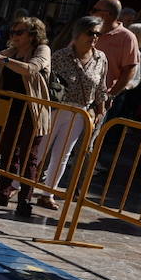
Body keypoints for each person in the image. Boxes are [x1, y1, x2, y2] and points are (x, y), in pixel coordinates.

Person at [0, 17, 53, 218]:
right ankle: (2, 192)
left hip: (33, 112)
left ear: (33, 35)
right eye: (12, 32)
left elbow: (30, 69)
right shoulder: (13, 51)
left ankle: (25, 201)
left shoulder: (42, 50)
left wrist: (2, 60)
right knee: (8, 152)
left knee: (30, 157)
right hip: (10, 110)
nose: (14, 36)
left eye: (19, 32)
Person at [32, 15, 107, 209]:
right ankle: (19, 185)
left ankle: (48, 193)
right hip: (57, 108)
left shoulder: (101, 58)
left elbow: (101, 86)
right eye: (90, 33)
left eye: (98, 33)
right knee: (41, 149)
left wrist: (100, 108)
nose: (94, 37)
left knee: (63, 154)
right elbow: (46, 82)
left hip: (80, 112)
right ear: (78, 33)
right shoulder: (60, 56)